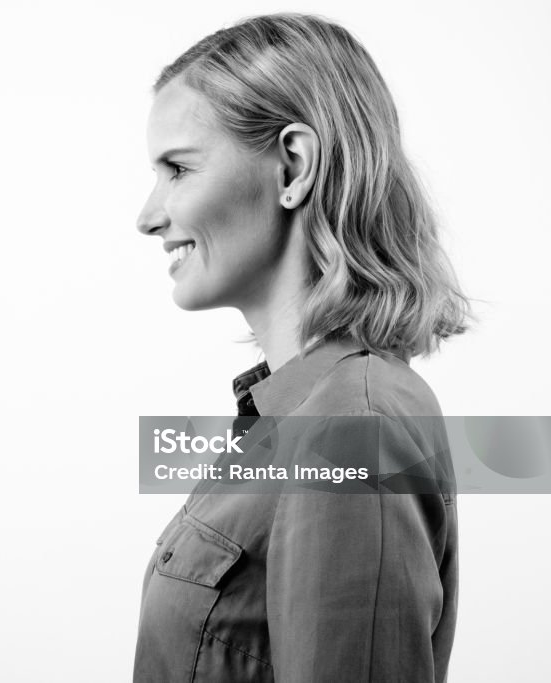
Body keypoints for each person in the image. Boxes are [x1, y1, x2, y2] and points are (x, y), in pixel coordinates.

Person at [133, 13, 472, 683]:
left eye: (177, 169)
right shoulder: (297, 415)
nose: (147, 215)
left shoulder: (350, 427)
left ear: (294, 165)